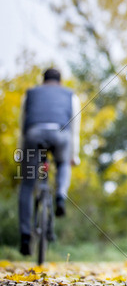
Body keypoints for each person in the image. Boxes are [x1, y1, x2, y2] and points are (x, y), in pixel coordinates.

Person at [18, 68, 81, 255]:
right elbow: (74, 129)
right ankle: (60, 196)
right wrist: (73, 156)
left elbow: (22, 126)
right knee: (63, 163)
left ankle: (25, 235)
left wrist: (23, 152)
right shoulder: (70, 95)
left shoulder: (30, 94)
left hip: (33, 134)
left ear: (43, 81)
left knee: (27, 185)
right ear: (60, 82)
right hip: (61, 135)